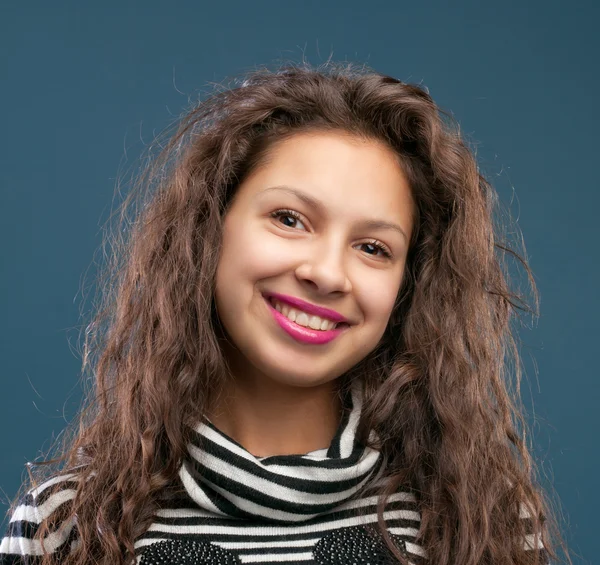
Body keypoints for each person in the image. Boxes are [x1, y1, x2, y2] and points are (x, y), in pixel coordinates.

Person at [0, 61, 567, 565]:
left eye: (373, 248)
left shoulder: (479, 519)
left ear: (407, 288)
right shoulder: (64, 529)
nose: (326, 273)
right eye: (290, 219)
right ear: (210, 227)